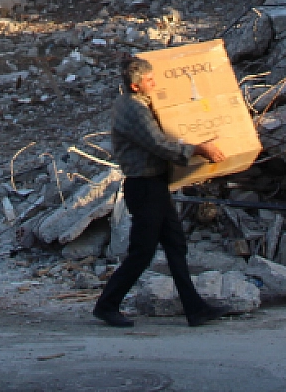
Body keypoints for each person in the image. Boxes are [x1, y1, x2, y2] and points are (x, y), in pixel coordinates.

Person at [93, 56, 231, 328]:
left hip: (154, 184)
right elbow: (159, 144)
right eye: (149, 81)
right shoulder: (134, 110)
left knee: (175, 245)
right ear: (136, 87)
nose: (155, 84)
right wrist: (198, 149)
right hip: (144, 186)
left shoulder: (134, 103)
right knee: (143, 251)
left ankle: (195, 309)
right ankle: (107, 304)